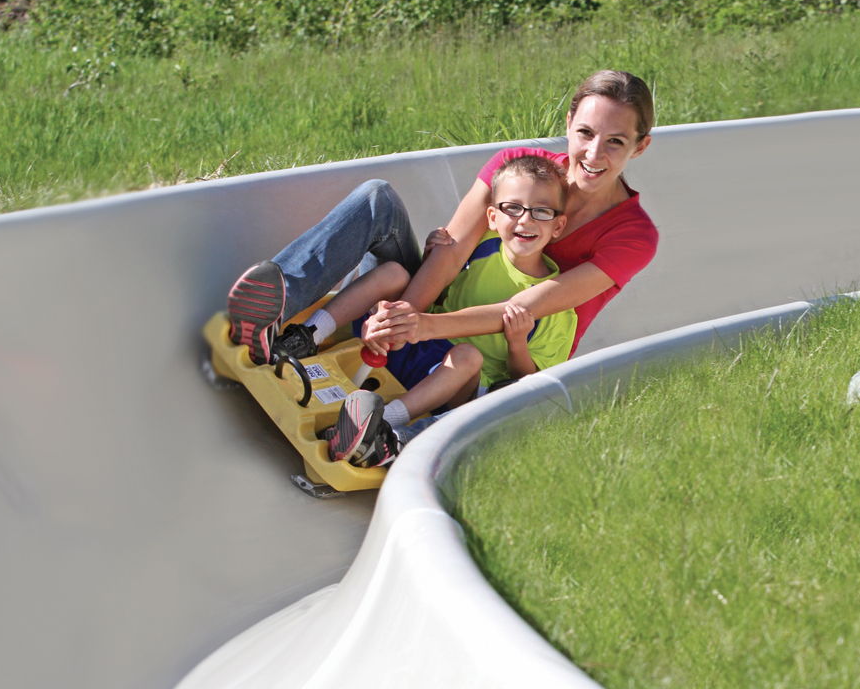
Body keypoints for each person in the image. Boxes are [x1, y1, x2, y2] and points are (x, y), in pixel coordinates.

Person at [224, 69, 658, 452]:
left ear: (640, 147)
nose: (594, 153)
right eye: (585, 133)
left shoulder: (633, 235)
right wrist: (405, 317)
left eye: (616, 141)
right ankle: (276, 310)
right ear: (568, 124)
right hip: (435, 313)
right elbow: (452, 252)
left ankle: (389, 439)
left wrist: (418, 325)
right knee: (378, 199)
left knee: (506, 396)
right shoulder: (518, 172)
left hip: (505, 359)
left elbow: (524, 309)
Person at [292, 156, 577, 467]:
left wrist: (517, 343)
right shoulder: (479, 246)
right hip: (415, 340)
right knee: (394, 274)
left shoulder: (557, 305)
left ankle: (377, 423)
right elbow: (438, 289)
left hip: (453, 382)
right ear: (493, 216)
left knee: (468, 356)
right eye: (513, 208)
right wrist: (433, 254)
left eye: (541, 211)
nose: (525, 220)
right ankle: (307, 334)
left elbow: (528, 383)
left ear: (558, 225)